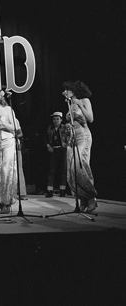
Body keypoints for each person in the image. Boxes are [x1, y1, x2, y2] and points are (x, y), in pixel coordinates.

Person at [62, 80, 97, 212]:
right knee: (71, 170)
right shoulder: (70, 104)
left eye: (67, 89)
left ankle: (91, 197)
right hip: (73, 138)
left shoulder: (84, 101)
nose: (65, 92)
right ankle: (82, 198)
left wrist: (79, 105)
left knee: (80, 166)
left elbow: (90, 118)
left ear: (74, 90)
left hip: (83, 136)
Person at [45, 111, 68, 198]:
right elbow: (45, 139)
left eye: (57, 119)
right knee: (51, 171)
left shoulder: (64, 128)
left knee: (63, 171)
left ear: (61, 120)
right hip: (53, 150)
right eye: (54, 119)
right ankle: (50, 190)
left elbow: (69, 137)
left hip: (62, 150)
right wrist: (48, 146)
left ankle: (62, 190)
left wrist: (66, 144)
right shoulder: (49, 128)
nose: (56, 121)